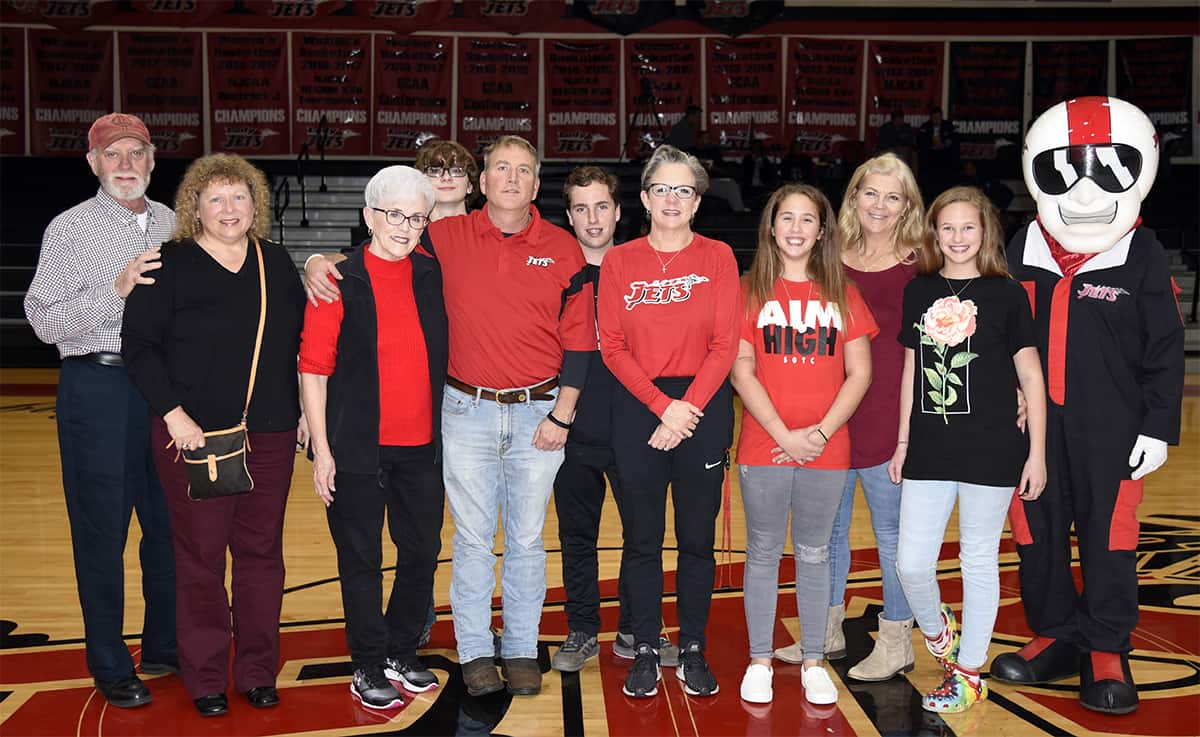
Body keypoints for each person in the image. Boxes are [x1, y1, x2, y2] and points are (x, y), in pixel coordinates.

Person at [305, 135, 595, 698]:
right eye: (500, 169)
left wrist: (562, 416)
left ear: (537, 186)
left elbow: (581, 340)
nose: (512, 178)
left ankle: (518, 647)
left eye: (524, 171)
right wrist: (319, 260)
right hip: (464, 412)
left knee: (529, 540)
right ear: (482, 182)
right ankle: (474, 650)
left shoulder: (562, 249)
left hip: (539, 411)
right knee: (468, 541)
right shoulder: (442, 238)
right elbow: (376, 252)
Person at [997, 96, 1184, 715]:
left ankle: (1107, 645)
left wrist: (1158, 426)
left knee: (1110, 537)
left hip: (1112, 428)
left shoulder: (1143, 253)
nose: (1082, 193)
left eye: (1106, 170)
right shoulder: (1021, 244)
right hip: (1033, 429)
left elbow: (1165, 346)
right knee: (1036, 531)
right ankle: (1055, 629)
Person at [121, 154, 307, 717]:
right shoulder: (167, 264)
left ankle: (256, 672)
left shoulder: (275, 262)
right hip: (194, 439)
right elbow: (140, 347)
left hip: (269, 436)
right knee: (200, 559)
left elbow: (296, 342)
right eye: (216, 199)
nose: (229, 209)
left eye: (240, 197)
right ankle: (204, 677)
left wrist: (299, 412)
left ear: (257, 205)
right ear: (194, 208)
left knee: (260, 557)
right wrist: (173, 414)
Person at [23, 112, 177, 709]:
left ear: (152, 159)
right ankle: (111, 663)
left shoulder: (170, 221)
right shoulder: (70, 228)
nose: (125, 164)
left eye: (135, 153)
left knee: (167, 528)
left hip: (164, 394)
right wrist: (114, 289)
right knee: (102, 532)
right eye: (112, 154)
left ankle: (166, 643)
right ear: (92, 164)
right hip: (100, 385)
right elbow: (44, 320)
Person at [891, 185, 1047, 712]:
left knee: (977, 560)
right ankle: (938, 633)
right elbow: (912, 371)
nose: (958, 238)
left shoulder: (1007, 294)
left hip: (993, 450)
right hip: (929, 450)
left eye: (969, 227)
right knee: (912, 564)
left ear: (986, 233)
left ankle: (969, 671)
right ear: (934, 233)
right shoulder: (919, 292)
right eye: (948, 228)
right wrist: (902, 442)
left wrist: (1038, 453)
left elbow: (1031, 377)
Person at [299, 166, 447, 710]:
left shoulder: (431, 274)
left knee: (422, 551)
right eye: (393, 214)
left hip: (421, 447)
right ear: (368, 218)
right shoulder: (338, 279)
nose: (405, 226)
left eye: (416, 217)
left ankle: (401, 651)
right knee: (360, 558)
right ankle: (366, 662)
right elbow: (313, 368)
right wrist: (322, 450)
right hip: (356, 448)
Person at [598, 144, 741, 699]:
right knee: (642, 539)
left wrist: (685, 412)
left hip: (702, 404)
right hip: (640, 405)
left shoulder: (719, 257)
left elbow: (726, 343)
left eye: (684, 189)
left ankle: (694, 648)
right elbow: (611, 346)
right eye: (662, 189)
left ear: (698, 200)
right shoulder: (620, 260)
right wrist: (663, 408)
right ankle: (647, 647)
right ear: (644, 198)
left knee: (697, 540)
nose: (673, 199)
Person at [775, 153, 923, 681]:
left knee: (893, 537)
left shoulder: (921, 260)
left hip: (892, 415)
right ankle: (824, 631)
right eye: (870, 192)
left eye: (893, 196)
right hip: (831, 415)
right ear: (853, 196)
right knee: (826, 533)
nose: (879, 205)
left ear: (907, 205)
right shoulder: (827, 258)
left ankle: (897, 639)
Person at [731, 183, 876, 706]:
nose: (795, 228)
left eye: (807, 219)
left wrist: (816, 434)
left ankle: (814, 658)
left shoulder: (843, 293)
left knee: (815, 554)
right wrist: (783, 435)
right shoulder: (749, 289)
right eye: (785, 218)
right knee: (764, 553)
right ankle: (760, 659)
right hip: (763, 446)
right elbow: (741, 368)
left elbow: (859, 373)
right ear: (771, 227)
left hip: (825, 449)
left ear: (822, 231)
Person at [548, 167, 682, 674]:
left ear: (620, 211)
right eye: (581, 208)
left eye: (601, 206)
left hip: (635, 427)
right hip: (573, 430)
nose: (592, 218)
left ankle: (633, 629)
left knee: (642, 537)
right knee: (576, 536)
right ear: (569, 216)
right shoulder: (556, 269)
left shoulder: (642, 269)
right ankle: (582, 629)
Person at [416, 138, 478, 221]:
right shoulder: (407, 230)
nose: (446, 178)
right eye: (435, 171)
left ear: (469, 186)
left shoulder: (490, 228)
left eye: (456, 171)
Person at [918, 107, 960, 200]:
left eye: (938, 117)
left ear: (941, 117)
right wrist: (931, 145)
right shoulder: (925, 127)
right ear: (931, 118)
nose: (936, 120)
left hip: (945, 156)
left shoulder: (949, 126)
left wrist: (944, 144)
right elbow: (921, 142)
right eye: (934, 117)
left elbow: (955, 139)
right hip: (930, 156)